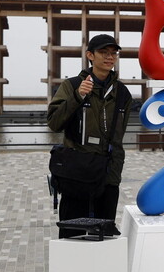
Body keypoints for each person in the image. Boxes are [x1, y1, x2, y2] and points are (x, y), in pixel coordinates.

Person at [46, 34, 133, 238]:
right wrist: (78, 96)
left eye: (113, 53)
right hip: (77, 173)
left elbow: (118, 137)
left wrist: (115, 175)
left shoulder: (122, 93)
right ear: (90, 55)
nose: (109, 57)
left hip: (108, 175)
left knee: (104, 236)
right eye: (103, 52)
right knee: (72, 235)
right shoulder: (72, 85)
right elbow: (54, 123)